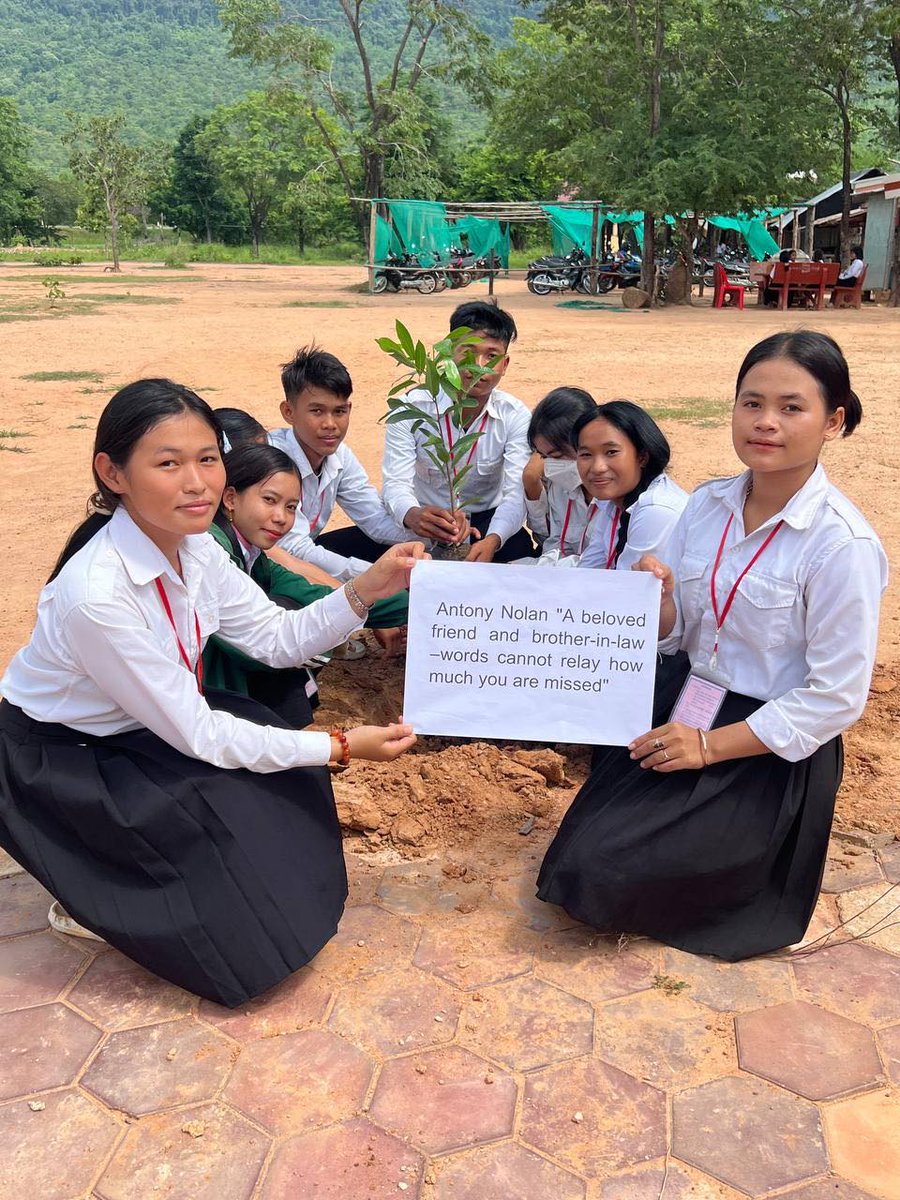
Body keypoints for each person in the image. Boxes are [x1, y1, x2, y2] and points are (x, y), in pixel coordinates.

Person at [0, 379, 422, 1007]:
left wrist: (369, 587)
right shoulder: (98, 595)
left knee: (264, 789)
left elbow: (277, 639)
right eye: (167, 463)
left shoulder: (194, 547)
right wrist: (339, 745)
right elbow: (200, 734)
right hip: (65, 754)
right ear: (112, 473)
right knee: (213, 849)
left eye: (206, 458)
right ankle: (91, 881)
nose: (197, 482)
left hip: (144, 722)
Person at [538, 331, 887, 961]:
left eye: (791, 407)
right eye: (751, 403)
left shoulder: (842, 546)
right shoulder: (706, 505)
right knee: (573, 860)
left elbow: (835, 697)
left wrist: (709, 747)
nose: (766, 423)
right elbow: (676, 632)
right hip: (690, 700)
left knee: (604, 871)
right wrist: (663, 598)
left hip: (766, 742)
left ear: (833, 421)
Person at [203, 443, 411, 721]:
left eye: (291, 508)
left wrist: (418, 602)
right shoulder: (212, 552)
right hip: (204, 699)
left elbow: (313, 591)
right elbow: (259, 647)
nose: (281, 518)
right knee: (289, 617)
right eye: (269, 500)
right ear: (230, 498)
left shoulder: (254, 554)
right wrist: (327, 640)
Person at [381, 299, 536, 563]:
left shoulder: (515, 416)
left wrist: (493, 539)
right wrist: (412, 515)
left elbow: (514, 493)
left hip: (485, 524)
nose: (478, 365)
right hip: (426, 521)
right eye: (468, 352)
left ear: (505, 363)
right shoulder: (412, 409)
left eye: (492, 356)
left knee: (522, 560)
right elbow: (395, 483)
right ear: (448, 352)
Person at [268, 346, 410, 582]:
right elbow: (293, 548)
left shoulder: (340, 455)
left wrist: (434, 539)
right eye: (317, 411)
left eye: (339, 411)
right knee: (389, 599)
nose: (330, 424)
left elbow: (375, 519)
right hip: (270, 566)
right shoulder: (273, 460)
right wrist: (373, 575)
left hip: (304, 552)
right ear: (288, 412)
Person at [576, 401, 687, 571]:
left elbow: (628, 589)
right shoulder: (611, 502)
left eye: (611, 452)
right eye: (585, 454)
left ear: (642, 456)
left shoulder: (656, 510)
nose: (597, 467)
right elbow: (589, 570)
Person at [522, 387, 598, 565]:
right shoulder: (561, 485)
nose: (549, 465)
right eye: (543, 456)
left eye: (556, 456)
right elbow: (554, 542)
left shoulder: (614, 497)